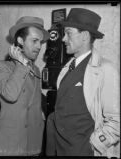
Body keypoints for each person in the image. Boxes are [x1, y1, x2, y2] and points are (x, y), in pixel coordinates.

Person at [46, 8, 120, 157]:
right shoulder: (66, 69)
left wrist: (95, 144)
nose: (63, 39)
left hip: (84, 151)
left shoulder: (105, 69)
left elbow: (116, 121)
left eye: (68, 33)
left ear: (85, 36)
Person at [0, 16, 50, 156]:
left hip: (33, 144)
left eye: (40, 42)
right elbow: (11, 95)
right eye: (34, 41)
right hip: (9, 145)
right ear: (20, 41)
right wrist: (21, 65)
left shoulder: (35, 70)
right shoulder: (0, 67)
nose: (39, 46)